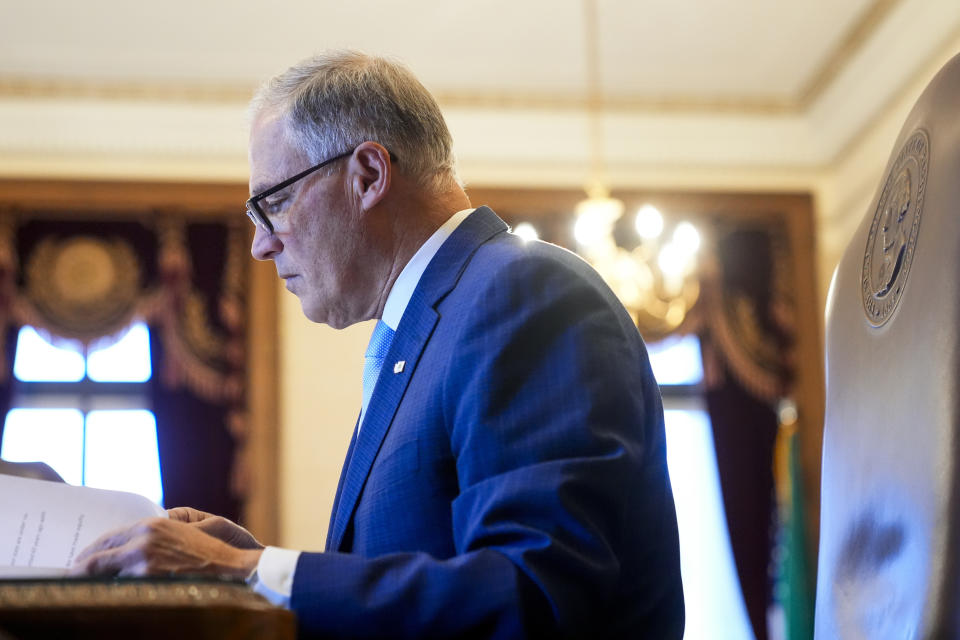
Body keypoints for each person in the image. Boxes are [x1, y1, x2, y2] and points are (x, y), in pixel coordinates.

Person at [72, 50, 685, 638]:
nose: (261, 244)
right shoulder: (428, 325)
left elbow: (535, 595)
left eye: (274, 203)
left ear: (368, 175)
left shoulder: (524, 291)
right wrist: (259, 564)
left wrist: (245, 572)